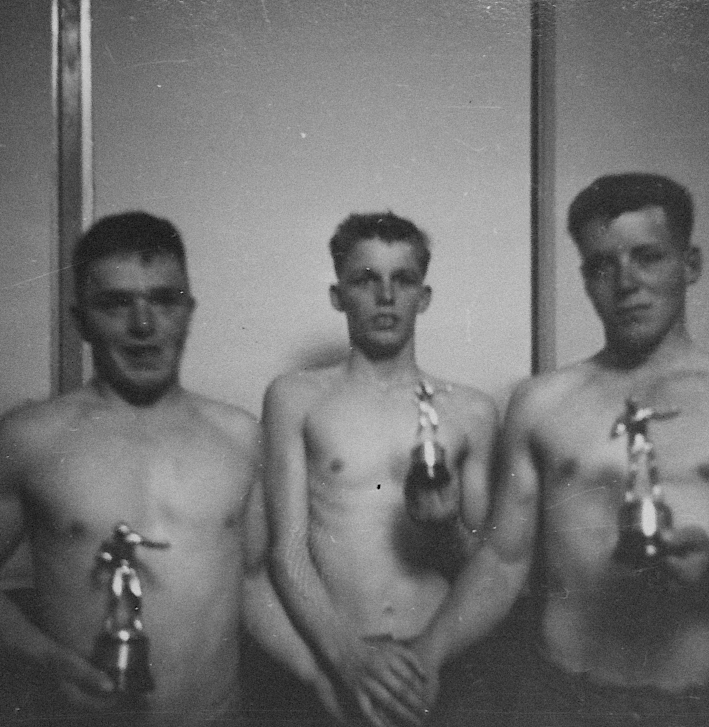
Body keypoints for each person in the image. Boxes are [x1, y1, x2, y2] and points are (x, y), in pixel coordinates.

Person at [0, 212, 330, 726]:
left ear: (188, 311)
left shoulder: (239, 437)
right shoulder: (31, 439)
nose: (143, 325)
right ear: (80, 321)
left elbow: (251, 586)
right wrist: (47, 660)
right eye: (116, 303)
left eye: (164, 299)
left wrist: (326, 676)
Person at [262, 212, 499, 726]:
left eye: (403, 279)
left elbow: (489, 569)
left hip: (438, 659)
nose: (386, 296)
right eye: (366, 279)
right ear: (338, 295)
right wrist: (346, 657)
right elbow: (286, 552)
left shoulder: (472, 412)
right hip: (341, 652)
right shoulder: (296, 398)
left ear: (424, 297)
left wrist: (445, 529)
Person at [497, 173, 709, 725]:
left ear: (690, 265)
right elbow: (501, 559)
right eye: (602, 266)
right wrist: (426, 654)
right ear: (586, 280)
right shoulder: (540, 402)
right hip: (563, 699)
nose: (627, 282)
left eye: (648, 257)